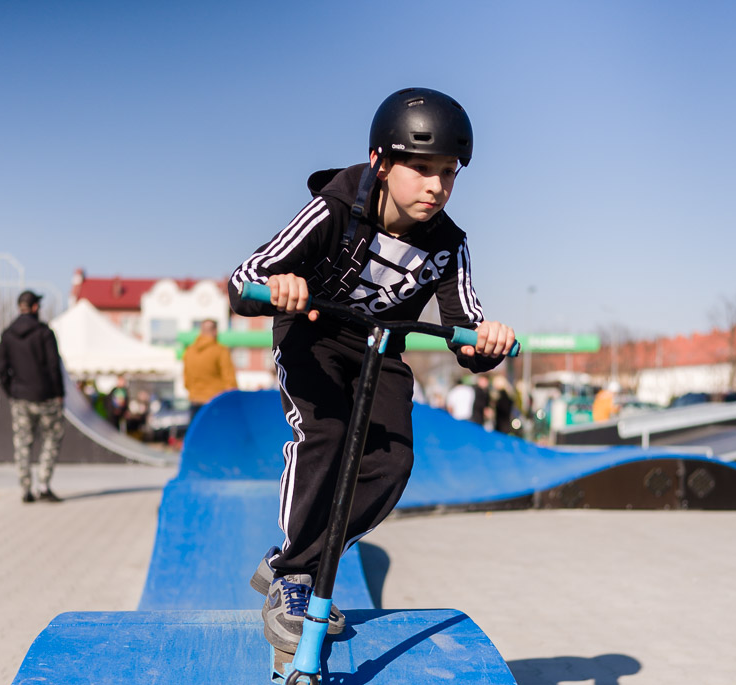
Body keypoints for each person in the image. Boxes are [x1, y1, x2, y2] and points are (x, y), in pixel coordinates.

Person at [227, 87, 516, 652]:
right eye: (422, 170)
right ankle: (295, 578)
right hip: (312, 336)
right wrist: (277, 287)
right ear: (382, 163)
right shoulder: (333, 208)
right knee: (327, 434)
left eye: (449, 173)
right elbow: (245, 278)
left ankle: (295, 560)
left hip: (379, 350)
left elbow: (467, 328)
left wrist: (489, 343)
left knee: (391, 463)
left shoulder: (448, 245)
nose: (437, 186)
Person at [0, 290, 66, 503]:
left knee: (22, 443)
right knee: (52, 438)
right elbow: (54, 366)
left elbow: (1, 370)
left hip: (20, 398)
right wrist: (59, 393)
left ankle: (25, 489)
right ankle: (43, 485)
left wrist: (12, 392)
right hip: (46, 397)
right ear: (35, 307)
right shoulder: (44, 333)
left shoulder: (7, 335)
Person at [182, 319, 238, 417]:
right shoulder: (220, 351)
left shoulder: (189, 351)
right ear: (215, 331)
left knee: (198, 432)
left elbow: (186, 381)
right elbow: (230, 382)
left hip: (194, 403)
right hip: (215, 404)